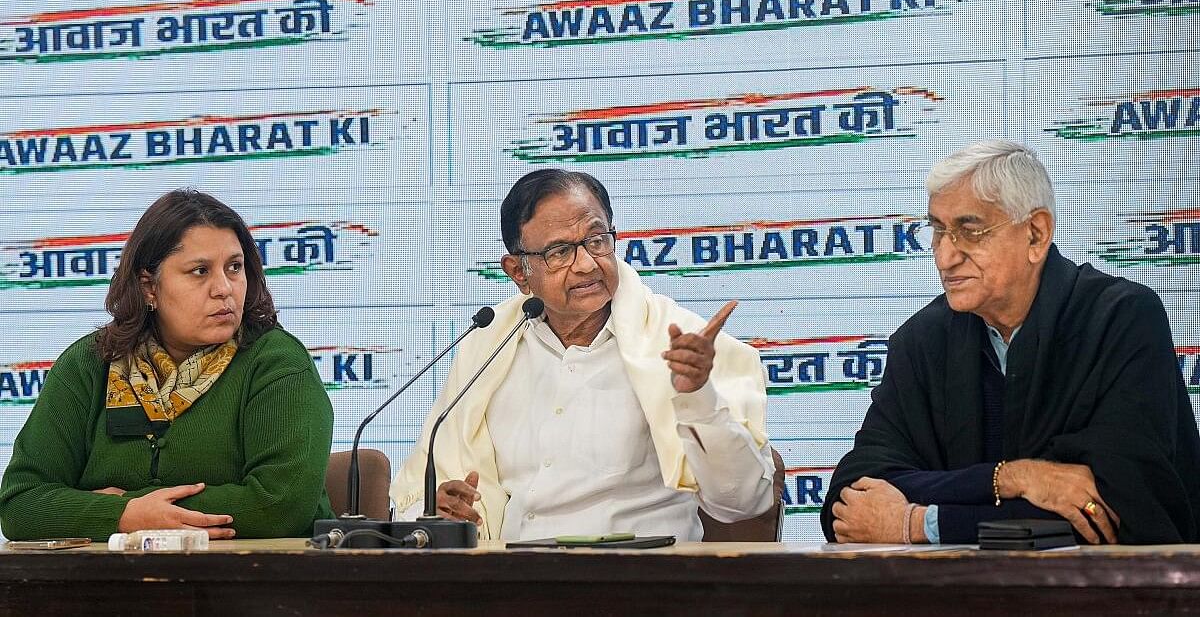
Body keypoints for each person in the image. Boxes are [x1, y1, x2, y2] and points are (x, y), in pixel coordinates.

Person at [821, 140, 1200, 545]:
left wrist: (917, 523)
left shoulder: (1120, 321)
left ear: (1036, 235)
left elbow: (1104, 516)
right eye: (937, 230)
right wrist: (1013, 478)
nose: (945, 257)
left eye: (969, 231)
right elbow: (850, 502)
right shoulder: (922, 341)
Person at [390, 169, 774, 541]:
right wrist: (438, 512)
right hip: (511, 581)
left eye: (597, 240)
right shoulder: (489, 345)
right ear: (518, 272)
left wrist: (697, 395)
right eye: (560, 252)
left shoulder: (682, 346)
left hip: (639, 583)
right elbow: (428, 492)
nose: (588, 264)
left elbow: (741, 503)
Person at [0, 190, 335, 541]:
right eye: (200, 271)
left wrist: (129, 508)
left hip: (256, 585)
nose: (224, 288)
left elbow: (281, 504)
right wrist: (127, 516)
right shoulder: (90, 364)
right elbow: (20, 505)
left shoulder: (277, 363)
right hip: (109, 585)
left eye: (234, 268)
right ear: (149, 287)